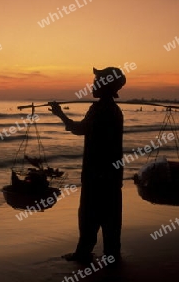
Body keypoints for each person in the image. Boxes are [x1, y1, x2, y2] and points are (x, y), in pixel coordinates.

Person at [50, 67, 126, 262]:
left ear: (105, 86)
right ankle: (112, 254)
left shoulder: (99, 109)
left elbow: (79, 129)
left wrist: (60, 114)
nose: (92, 86)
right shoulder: (115, 110)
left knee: (89, 214)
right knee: (111, 215)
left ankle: (83, 252)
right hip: (112, 172)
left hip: (96, 172)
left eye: (96, 82)